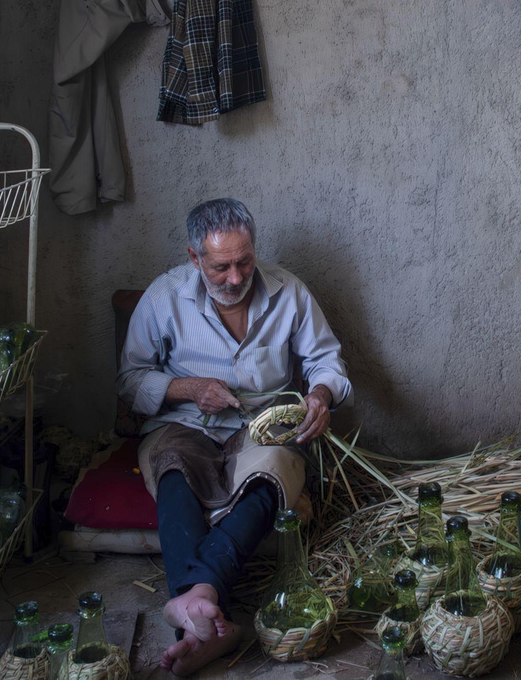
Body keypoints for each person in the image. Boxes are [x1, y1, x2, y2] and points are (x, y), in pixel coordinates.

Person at [117, 198, 352, 675]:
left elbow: (327, 362)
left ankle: (194, 605)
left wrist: (321, 396)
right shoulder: (165, 297)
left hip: (263, 427)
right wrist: (188, 389)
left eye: (244, 261)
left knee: (273, 476)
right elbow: (129, 381)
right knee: (174, 469)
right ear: (194, 257)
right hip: (184, 424)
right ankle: (204, 618)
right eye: (220, 267)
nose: (235, 277)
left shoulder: (288, 291)